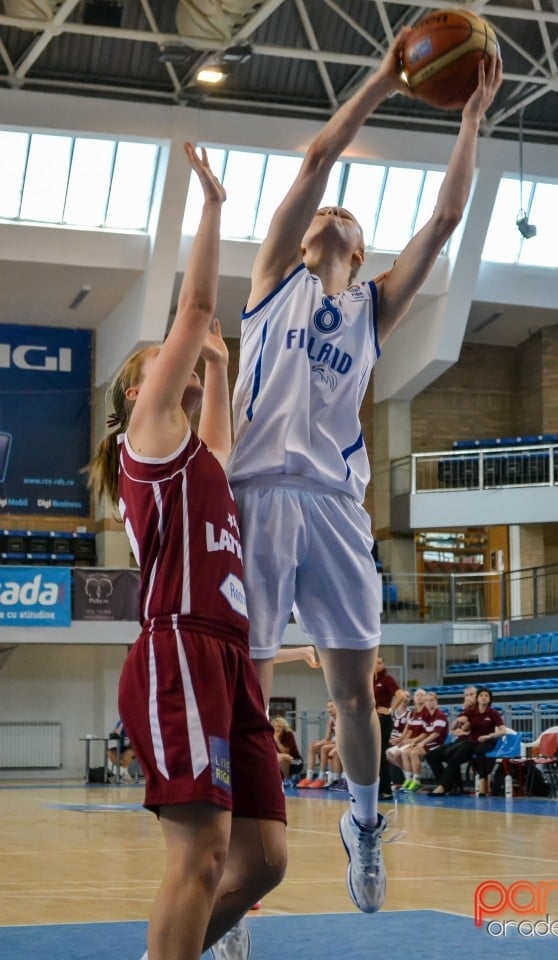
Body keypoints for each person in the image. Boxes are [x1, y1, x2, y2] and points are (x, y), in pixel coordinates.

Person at [226, 26, 502, 914]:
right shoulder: (272, 279)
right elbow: (316, 153)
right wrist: (385, 80)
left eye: (346, 212)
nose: (333, 208)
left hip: (337, 508)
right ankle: (242, 884)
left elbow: (450, 218)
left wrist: (472, 119)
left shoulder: (372, 309)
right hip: (260, 498)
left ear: (357, 242)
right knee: (251, 692)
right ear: (307, 238)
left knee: (352, 694)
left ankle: (365, 823)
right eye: (323, 211)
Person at [87, 143, 287, 960]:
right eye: (158, 359)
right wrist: (210, 206)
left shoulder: (202, 457)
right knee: (200, 854)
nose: (175, 359)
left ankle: (179, 949)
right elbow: (200, 309)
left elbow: (215, 360)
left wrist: (222, 361)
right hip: (178, 648)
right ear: (140, 390)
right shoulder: (147, 435)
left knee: (264, 860)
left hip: (230, 658)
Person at [430, 687, 506, 797]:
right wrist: (458, 721)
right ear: (477, 698)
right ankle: (442, 787)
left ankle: (482, 783)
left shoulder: (493, 713)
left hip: (486, 741)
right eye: (481, 696)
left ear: (490, 699)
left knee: (481, 752)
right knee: (453, 759)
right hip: (472, 741)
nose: (483, 698)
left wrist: (489, 736)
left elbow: (503, 730)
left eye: (486, 696)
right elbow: (454, 728)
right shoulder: (471, 712)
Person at [425, 683, 477, 790]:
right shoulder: (464, 711)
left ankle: (444, 786)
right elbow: (453, 730)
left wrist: (464, 730)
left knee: (452, 757)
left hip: (471, 744)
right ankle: (448, 784)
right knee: (430, 756)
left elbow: (473, 730)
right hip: (459, 741)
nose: (469, 697)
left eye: (471, 694)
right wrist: (462, 727)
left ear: (477, 696)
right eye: (466, 695)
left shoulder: (479, 710)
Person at [373, 655, 403, 800]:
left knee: (379, 754)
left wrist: (390, 710)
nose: (376, 665)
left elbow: (400, 695)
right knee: (372, 756)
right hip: (371, 721)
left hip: (383, 720)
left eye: (379, 663)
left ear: (383, 664)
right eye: (374, 663)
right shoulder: (369, 680)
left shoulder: (387, 679)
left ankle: (386, 790)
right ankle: (376, 789)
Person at [297, 699, 338, 787]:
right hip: (334, 742)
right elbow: (327, 738)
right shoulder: (331, 719)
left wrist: (322, 744)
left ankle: (321, 778)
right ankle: (309, 778)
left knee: (324, 748)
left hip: (342, 743)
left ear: (337, 707)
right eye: (328, 707)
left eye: (332, 706)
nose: (329, 709)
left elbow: (343, 739)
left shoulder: (342, 719)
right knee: (312, 747)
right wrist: (319, 742)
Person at [272, 715, 303, 784]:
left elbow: (285, 752)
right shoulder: (270, 735)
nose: (277, 729)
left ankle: (287, 778)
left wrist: (276, 740)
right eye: (275, 726)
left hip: (296, 761)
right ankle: (285, 777)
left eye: (280, 726)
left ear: (283, 728)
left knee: (283, 756)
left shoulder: (288, 734)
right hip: (281, 762)